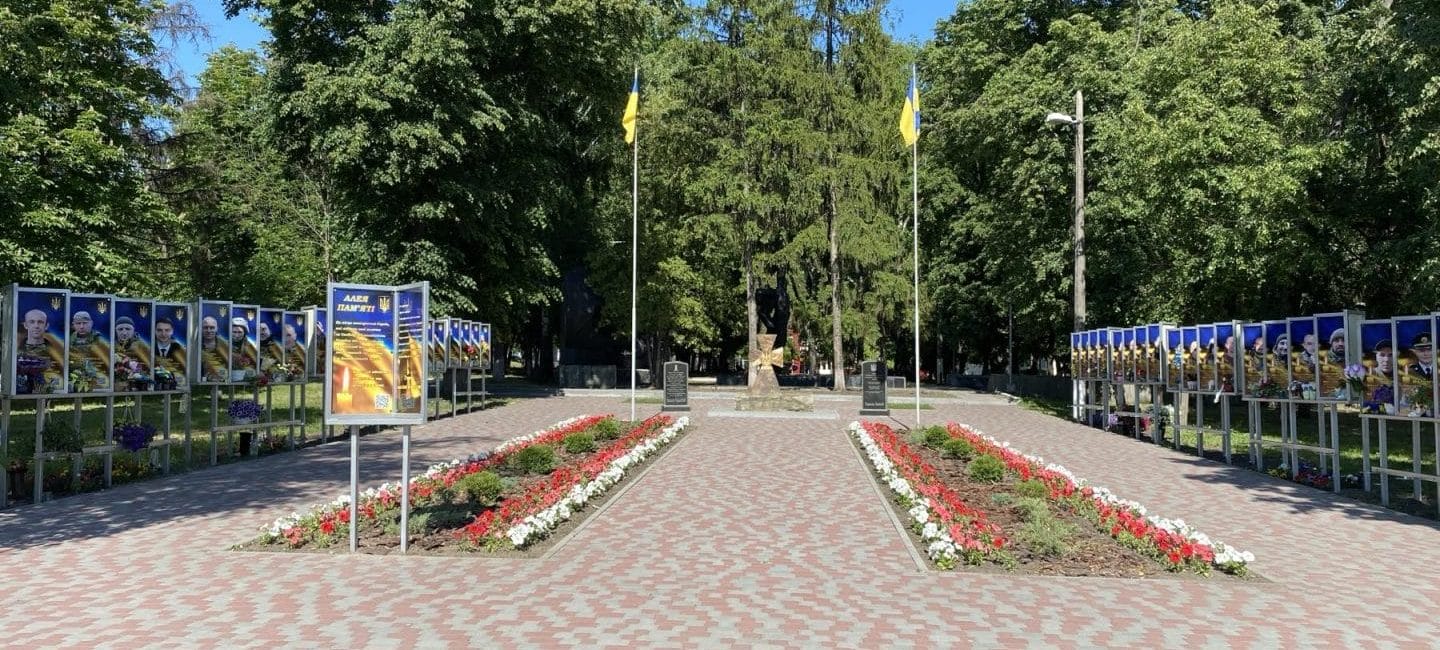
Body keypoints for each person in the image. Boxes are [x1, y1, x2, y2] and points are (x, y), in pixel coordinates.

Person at [17, 308, 64, 393]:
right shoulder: (16, 351)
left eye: (40, 322)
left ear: (46, 326)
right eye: (32, 322)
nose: (36, 326)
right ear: (25, 325)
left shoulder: (56, 352)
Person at [68, 310, 110, 391]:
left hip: (94, 373)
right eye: (78, 323)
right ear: (73, 325)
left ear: (91, 323)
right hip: (75, 372)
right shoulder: (69, 339)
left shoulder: (99, 339)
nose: (81, 326)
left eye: (85, 323)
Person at [199, 316, 229, 382]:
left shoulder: (226, 345)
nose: (209, 331)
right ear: (201, 328)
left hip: (222, 381)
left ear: (217, 329)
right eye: (205, 327)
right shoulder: (194, 346)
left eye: (212, 328)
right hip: (200, 382)